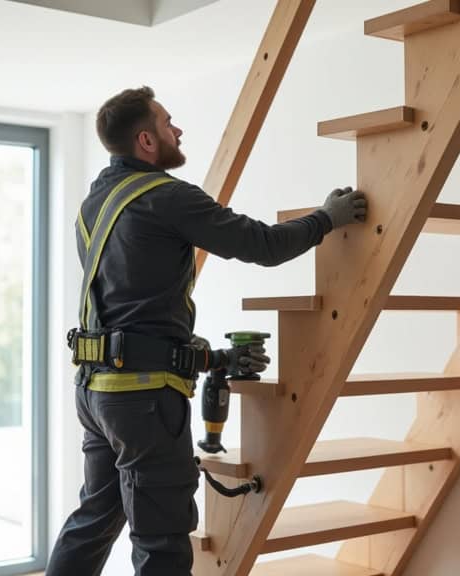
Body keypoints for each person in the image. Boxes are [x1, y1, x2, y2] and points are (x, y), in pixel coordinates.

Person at [46, 86, 367, 576]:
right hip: (144, 400)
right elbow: (263, 244)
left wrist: (210, 359)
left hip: (96, 393)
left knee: (94, 519)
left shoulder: (95, 203)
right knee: (162, 542)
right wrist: (326, 219)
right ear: (147, 141)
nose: (178, 130)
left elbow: (133, 306)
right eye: (168, 122)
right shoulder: (167, 198)